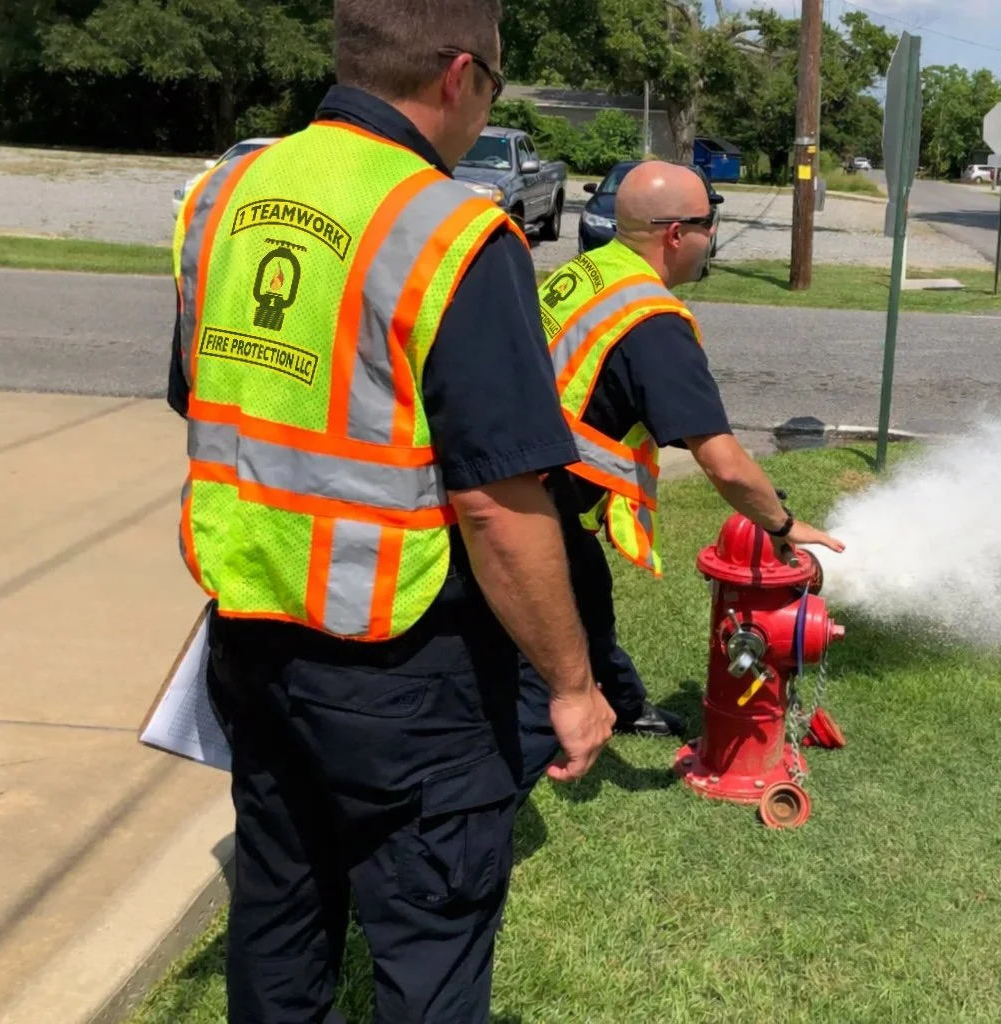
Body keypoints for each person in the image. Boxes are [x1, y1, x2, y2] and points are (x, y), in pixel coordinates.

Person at [164, 1, 613, 1020]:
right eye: (494, 85)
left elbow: (207, 402)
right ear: (460, 75)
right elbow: (501, 507)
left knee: (279, 915)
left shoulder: (221, 194)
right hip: (404, 667)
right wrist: (574, 684)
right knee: (429, 947)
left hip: (253, 639)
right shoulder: (452, 232)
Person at [525, 160, 845, 738]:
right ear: (677, 234)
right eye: (709, 221)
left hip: (527, 476)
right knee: (540, 637)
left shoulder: (591, 270)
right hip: (534, 498)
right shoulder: (652, 322)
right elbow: (722, 460)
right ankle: (532, 741)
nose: (712, 234)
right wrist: (782, 522)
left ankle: (622, 705)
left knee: (586, 592)